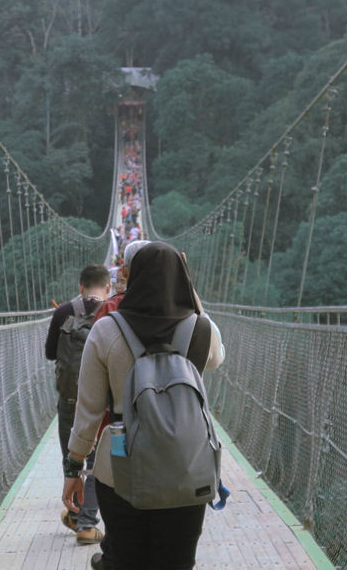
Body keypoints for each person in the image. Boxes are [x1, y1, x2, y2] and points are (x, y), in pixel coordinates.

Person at [62, 242, 225, 570]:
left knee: (125, 559)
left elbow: (89, 410)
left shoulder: (106, 330)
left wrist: (74, 468)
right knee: (177, 562)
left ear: (130, 277)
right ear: (183, 277)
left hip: (120, 466)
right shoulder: (201, 328)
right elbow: (217, 358)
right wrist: (191, 294)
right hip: (187, 464)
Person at [45, 264, 111, 544]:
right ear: (107, 287)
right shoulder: (112, 312)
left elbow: (50, 353)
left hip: (69, 398)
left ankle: (75, 512)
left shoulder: (63, 311)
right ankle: (86, 522)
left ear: (81, 287)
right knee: (97, 460)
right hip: (101, 402)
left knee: (73, 457)